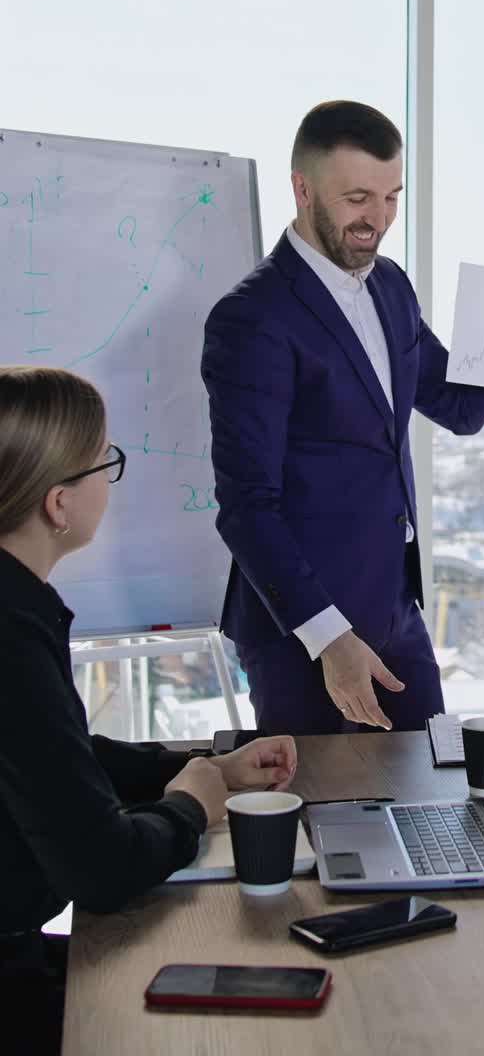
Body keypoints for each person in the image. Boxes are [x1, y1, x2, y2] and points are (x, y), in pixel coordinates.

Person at [202, 99, 484, 736]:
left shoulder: (390, 286)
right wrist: (329, 638)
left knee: (434, 794)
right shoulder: (253, 318)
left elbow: (457, 408)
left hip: (395, 611)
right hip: (303, 632)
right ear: (302, 188)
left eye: (391, 197)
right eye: (356, 199)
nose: (377, 219)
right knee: (327, 813)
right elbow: (247, 507)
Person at [0, 366, 298, 1054]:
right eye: (104, 462)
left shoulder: (16, 608)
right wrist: (193, 808)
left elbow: (57, 754)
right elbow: (103, 869)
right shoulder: (10, 637)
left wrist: (206, 765)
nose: (111, 478)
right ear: (57, 504)